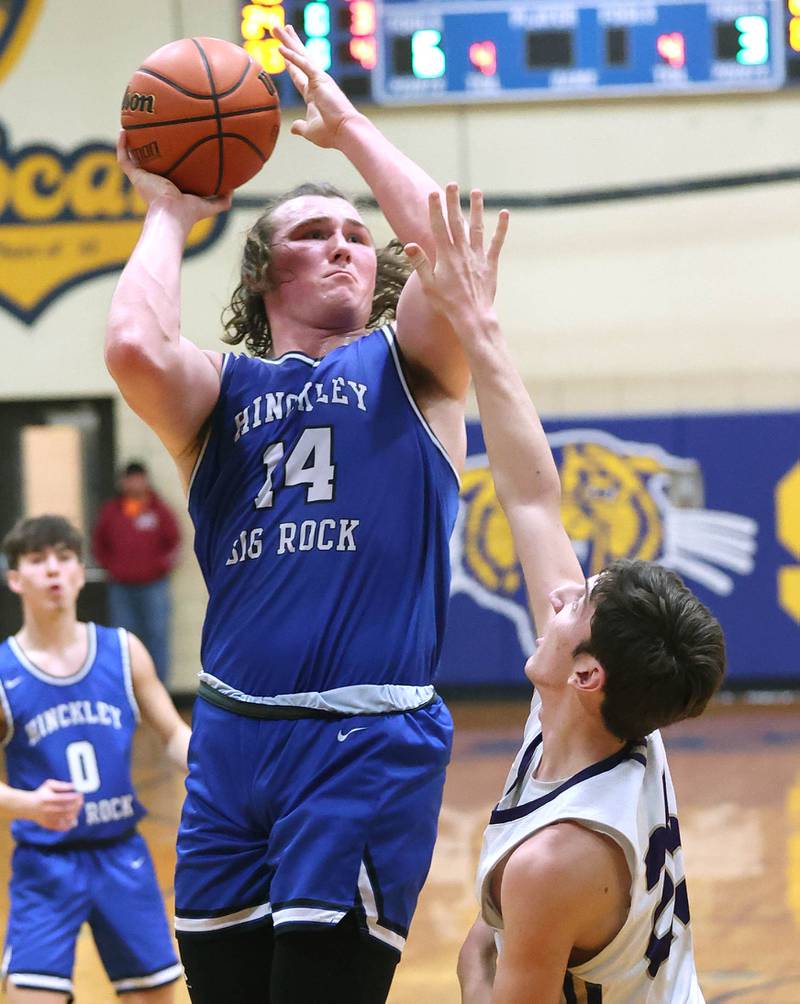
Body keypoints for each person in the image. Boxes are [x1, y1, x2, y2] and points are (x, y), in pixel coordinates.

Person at [105, 23, 473, 1004]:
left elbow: (442, 247)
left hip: (363, 744)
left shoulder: (416, 367)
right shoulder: (219, 391)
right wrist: (169, 211)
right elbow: (135, 346)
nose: (345, 245)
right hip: (231, 743)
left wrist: (348, 128)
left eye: (356, 232)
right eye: (312, 233)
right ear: (264, 272)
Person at [404, 187, 726, 1002]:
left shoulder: (556, 858)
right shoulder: (601, 718)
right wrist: (478, 327)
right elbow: (532, 496)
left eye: (576, 605)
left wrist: (475, 964)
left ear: (588, 673)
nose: (558, 597)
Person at [0, 514, 191, 1002]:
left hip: (121, 855)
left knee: (156, 996)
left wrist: (218, 765)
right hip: (45, 865)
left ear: (81, 572)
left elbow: (171, 734)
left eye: (64, 558)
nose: (53, 571)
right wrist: (26, 803)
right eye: (38, 560)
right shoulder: (4, 671)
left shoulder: (123, 651)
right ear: (15, 578)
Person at [92, 460, 180, 685]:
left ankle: (160, 690)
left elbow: (174, 542)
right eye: (130, 479)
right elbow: (98, 544)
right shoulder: (112, 511)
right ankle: (127, 690)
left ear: (146, 480)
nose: (135, 483)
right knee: (124, 640)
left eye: (139, 478)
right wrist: (112, 566)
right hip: (121, 587)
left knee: (156, 638)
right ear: (123, 482)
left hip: (154, 587)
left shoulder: (158, 510)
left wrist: (161, 566)